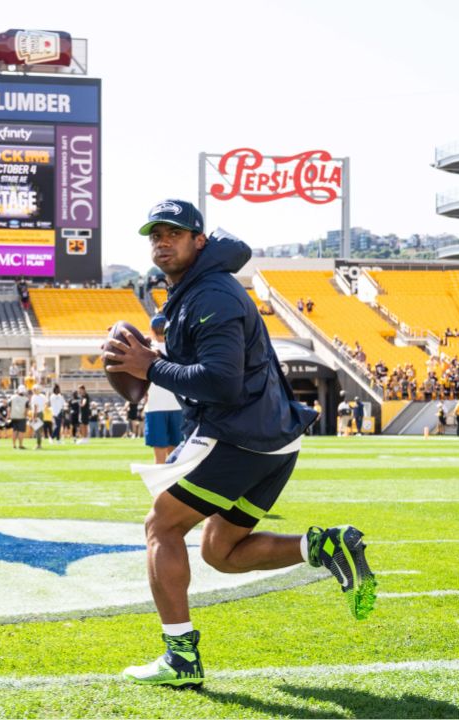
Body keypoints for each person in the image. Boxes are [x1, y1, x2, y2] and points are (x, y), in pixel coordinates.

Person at [105, 199, 374, 689]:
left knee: (161, 526)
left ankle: (180, 658)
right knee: (220, 551)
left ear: (199, 241)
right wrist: (160, 355)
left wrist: (150, 367)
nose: (162, 242)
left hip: (239, 435)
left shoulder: (211, 295)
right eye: (155, 235)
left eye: (174, 233)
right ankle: (325, 545)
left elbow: (222, 382)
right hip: (269, 437)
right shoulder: (195, 290)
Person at [143, 315, 185, 463]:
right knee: (175, 453)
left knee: (159, 455)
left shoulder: (147, 351)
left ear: (151, 331)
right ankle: (173, 486)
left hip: (155, 406)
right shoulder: (178, 349)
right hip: (178, 405)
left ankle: (161, 487)